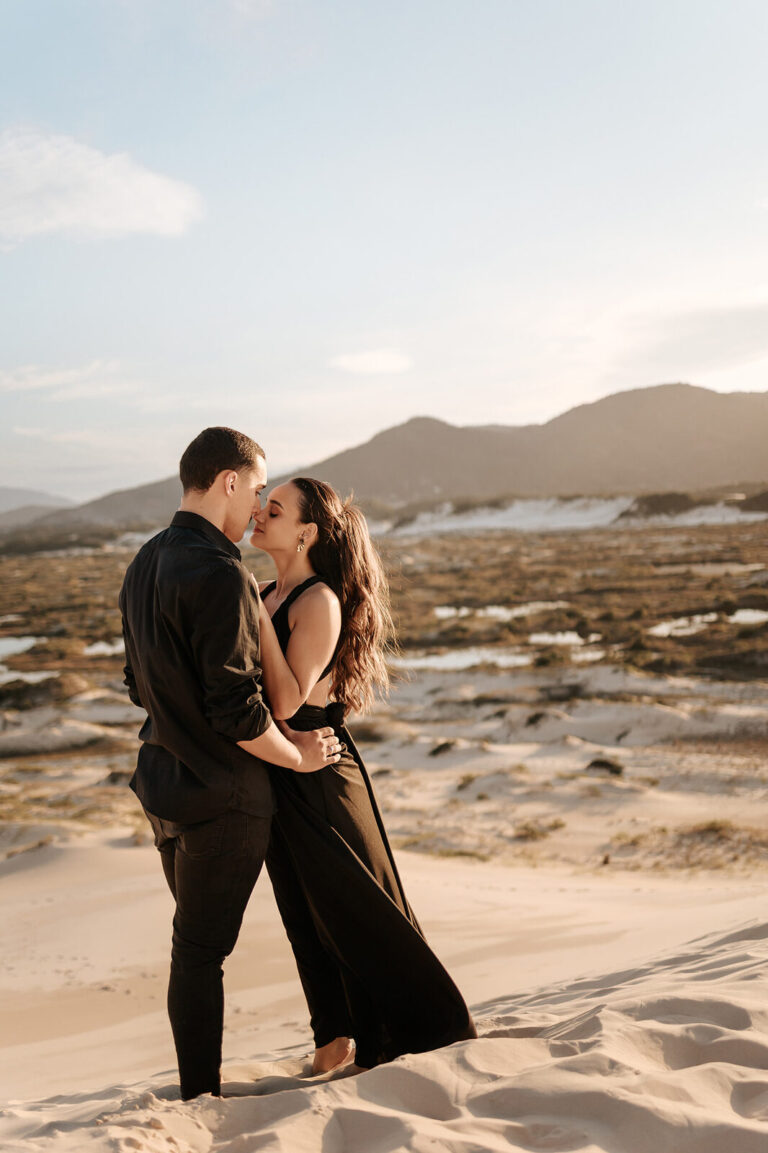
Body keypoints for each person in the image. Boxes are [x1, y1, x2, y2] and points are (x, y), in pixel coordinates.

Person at [118, 428, 342, 1101]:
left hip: (162, 790)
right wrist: (298, 756)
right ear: (229, 481)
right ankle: (199, 1100)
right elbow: (242, 713)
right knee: (199, 954)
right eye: (257, 489)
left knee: (194, 948)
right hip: (225, 798)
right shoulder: (220, 573)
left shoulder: (144, 561)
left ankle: (206, 1090)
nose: (258, 507)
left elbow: (137, 682)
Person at [250, 475, 477, 1073]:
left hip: (320, 767)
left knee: (354, 910)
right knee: (301, 910)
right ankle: (333, 1041)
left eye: (273, 509)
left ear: (306, 533)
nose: (258, 514)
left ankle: (429, 1027)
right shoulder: (268, 591)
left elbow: (283, 700)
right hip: (282, 766)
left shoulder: (317, 601)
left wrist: (250, 611)